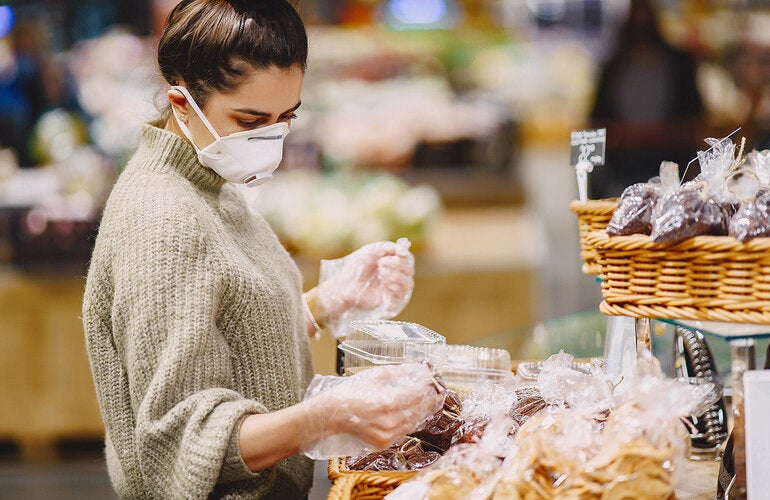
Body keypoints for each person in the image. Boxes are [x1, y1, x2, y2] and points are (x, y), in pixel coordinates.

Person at [81, 1, 444, 498]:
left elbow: (221, 331)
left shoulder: (210, 180)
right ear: (182, 104)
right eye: (251, 121)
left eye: (285, 118)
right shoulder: (163, 222)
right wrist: (326, 416)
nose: (271, 139)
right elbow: (181, 443)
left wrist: (325, 302)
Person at [588, 0, 704, 198]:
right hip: (622, 167)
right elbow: (595, 121)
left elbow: (697, 116)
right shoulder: (612, 66)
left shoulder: (680, 63)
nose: (641, 22)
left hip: (673, 163)